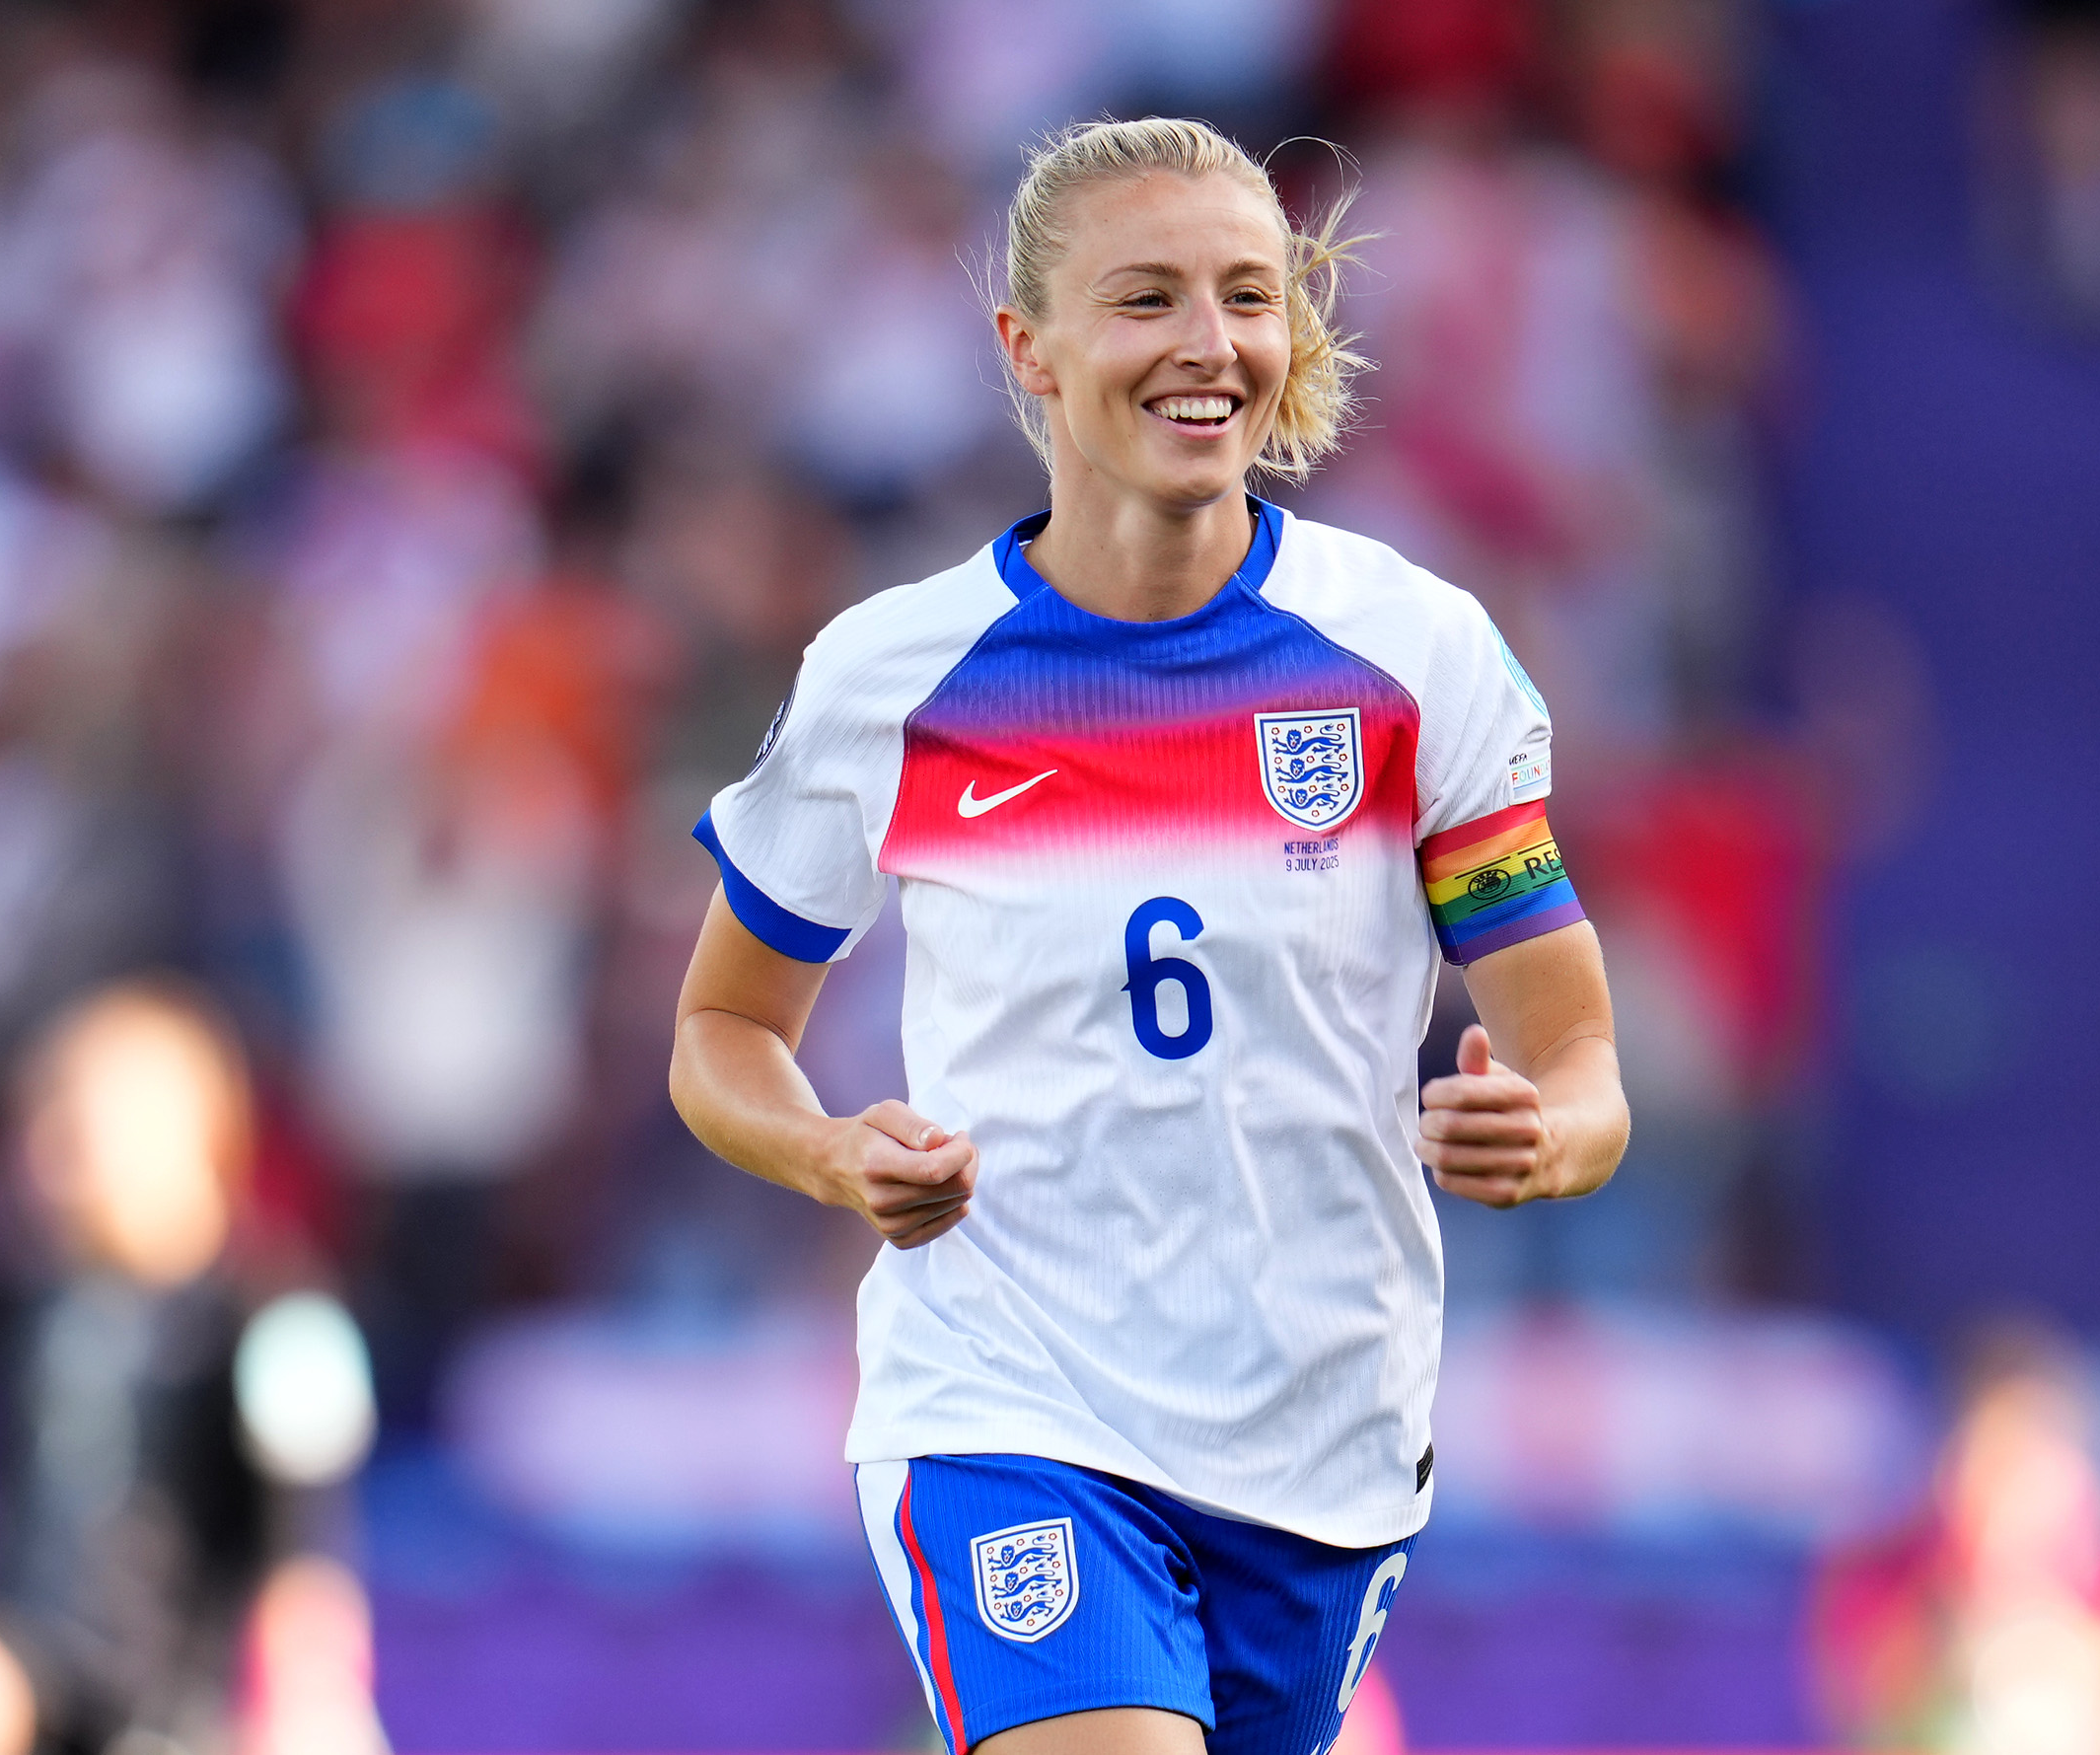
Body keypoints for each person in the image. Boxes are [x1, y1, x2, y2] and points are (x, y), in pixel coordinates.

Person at [669, 117, 1629, 1755]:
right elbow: (718, 1032)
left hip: (1322, 1439)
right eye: (1148, 299)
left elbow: (1580, 1056)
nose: (1209, 345)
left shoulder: (1413, 655)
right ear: (1025, 351)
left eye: (1248, 297)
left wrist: (1549, 1132)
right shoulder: (891, 676)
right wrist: (832, 1157)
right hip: (1009, 1403)